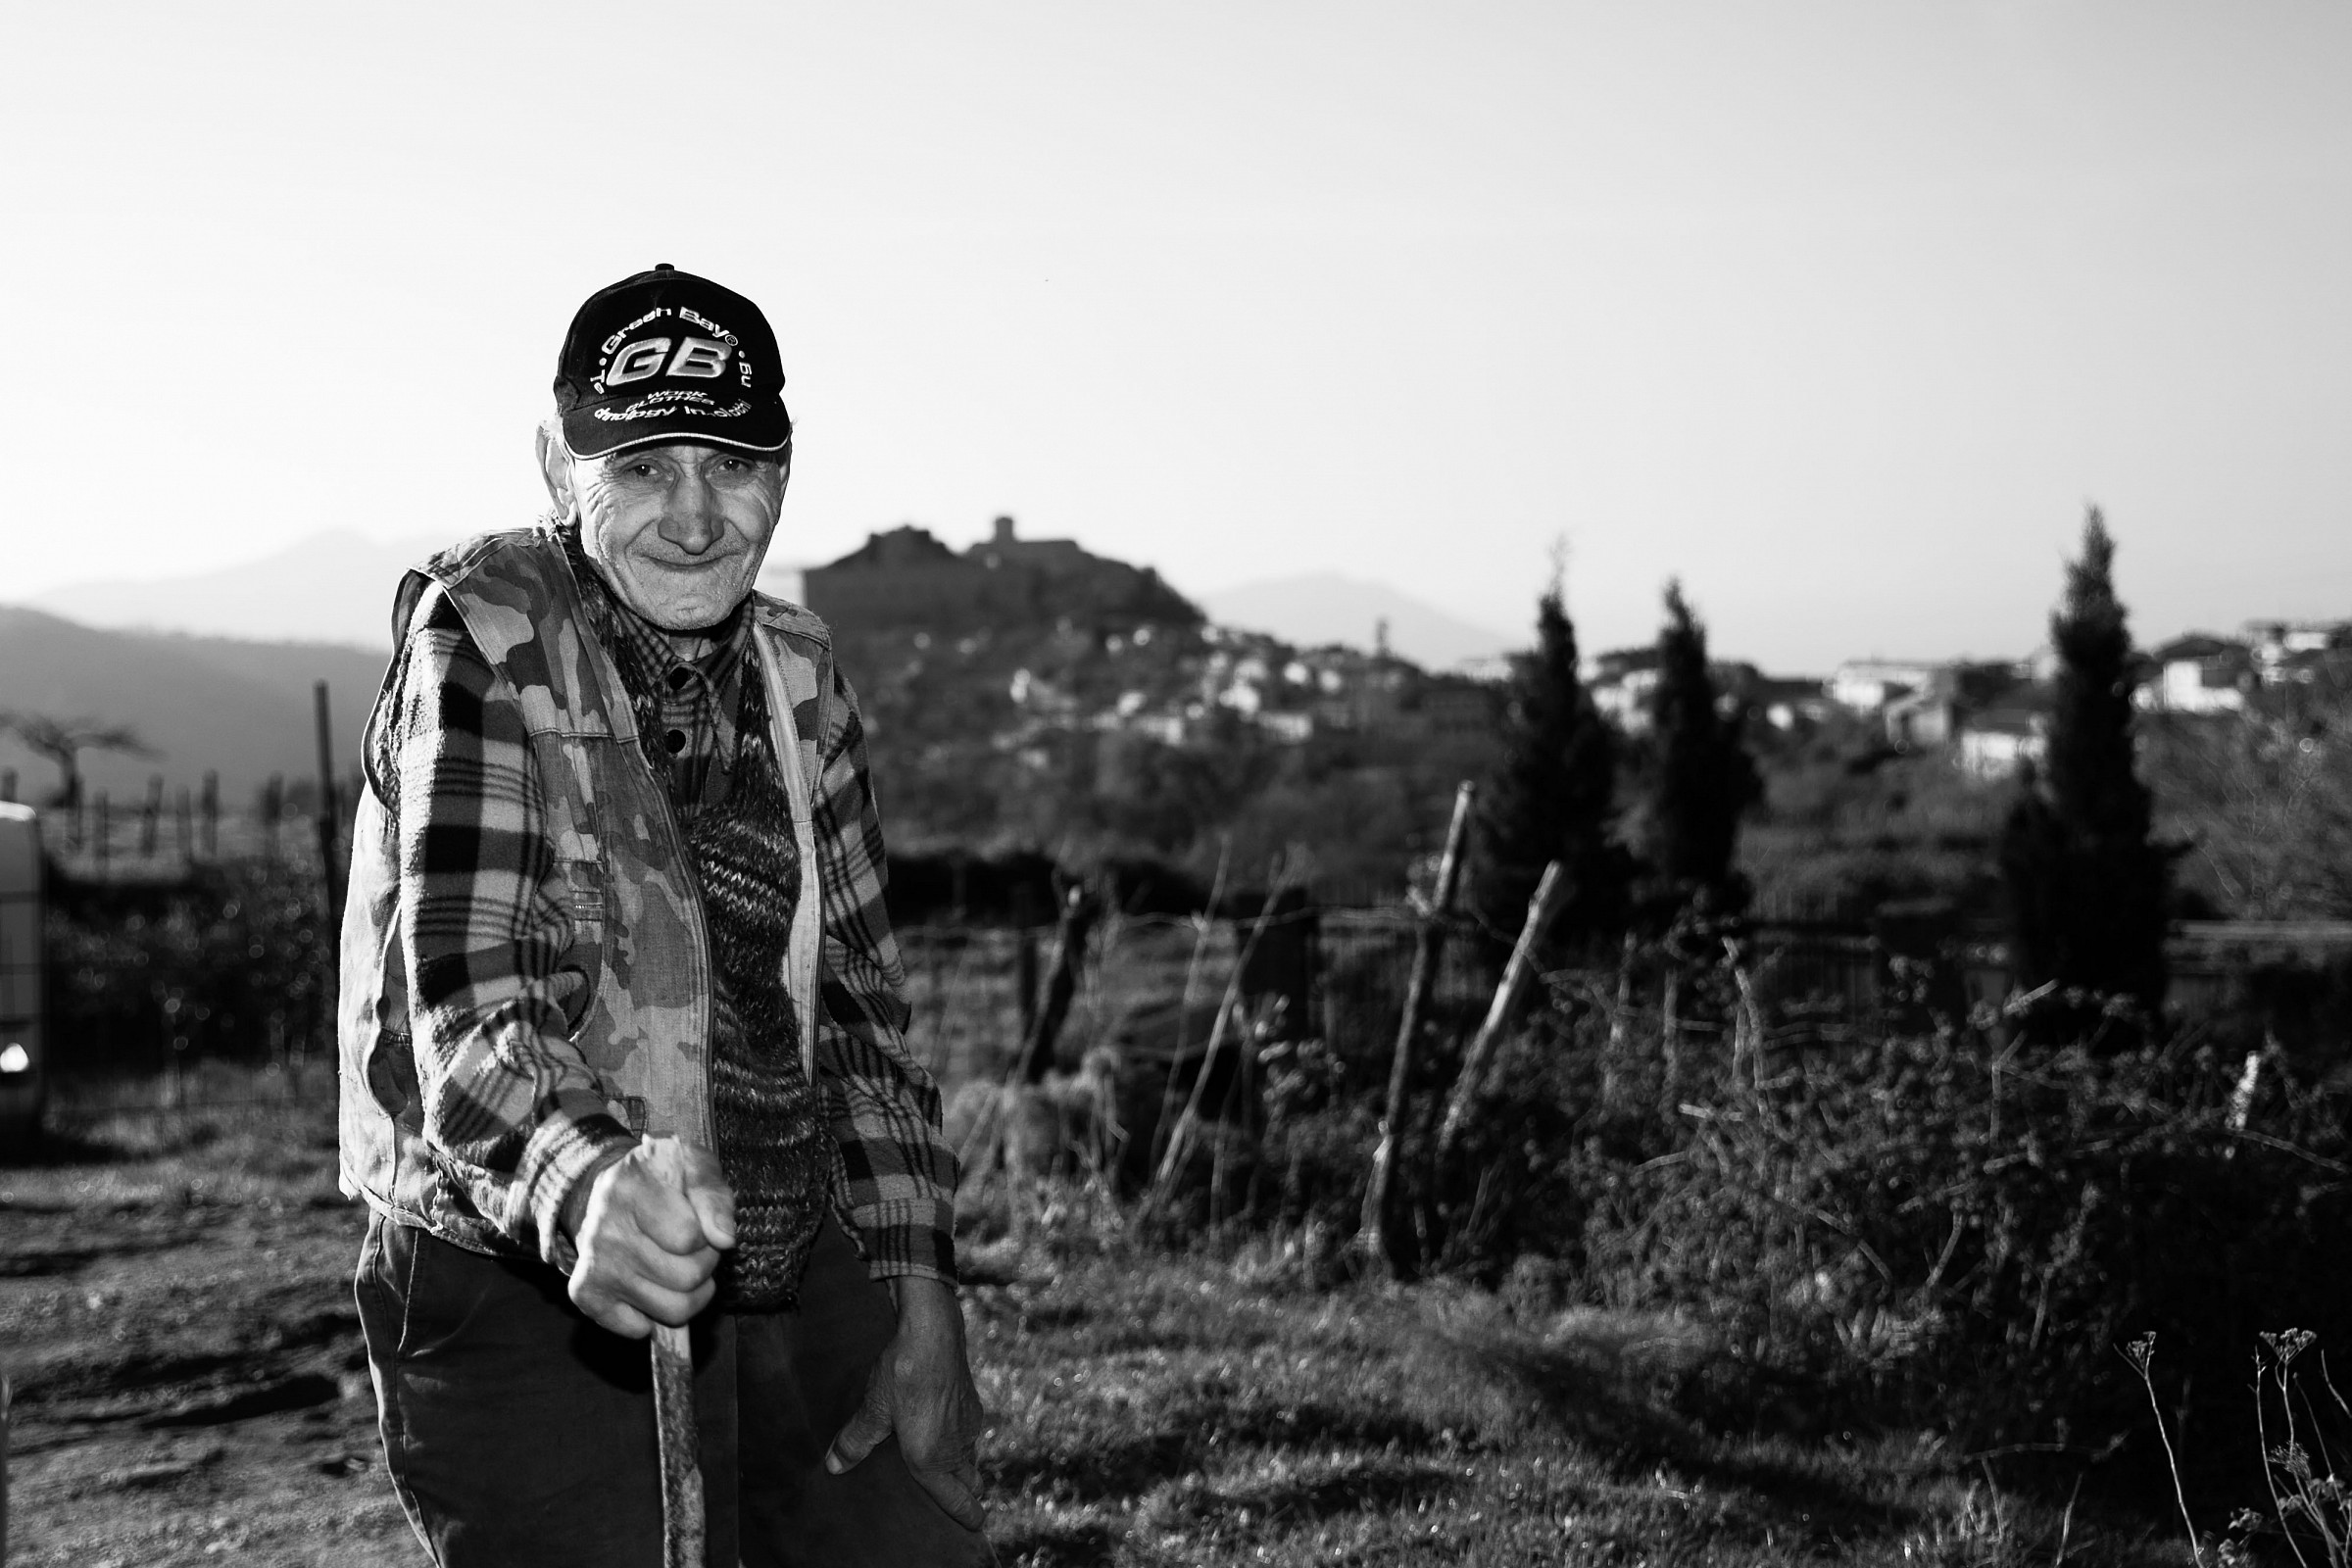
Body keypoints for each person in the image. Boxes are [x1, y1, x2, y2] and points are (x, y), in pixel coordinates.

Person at [337, 264, 991, 1567]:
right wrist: (591, 1189)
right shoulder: (487, 643)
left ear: (784, 473)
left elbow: (861, 1013)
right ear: (558, 468)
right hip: (518, 1256)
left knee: (908, 1541)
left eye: (732, 465)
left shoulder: (801, 674)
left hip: (779, 1231)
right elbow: (466, 1011)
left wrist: (923, 1296)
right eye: (642, 469)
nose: (694, 518)